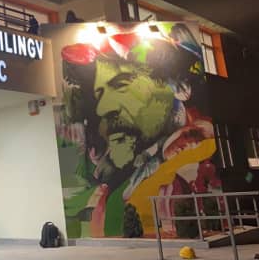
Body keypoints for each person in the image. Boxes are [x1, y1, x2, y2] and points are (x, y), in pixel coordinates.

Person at [57, 23, 220, 238]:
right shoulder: (108, 174)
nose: (103, 108)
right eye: (100, 94)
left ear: (176, 88)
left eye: (121, 86)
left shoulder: (196, 152)